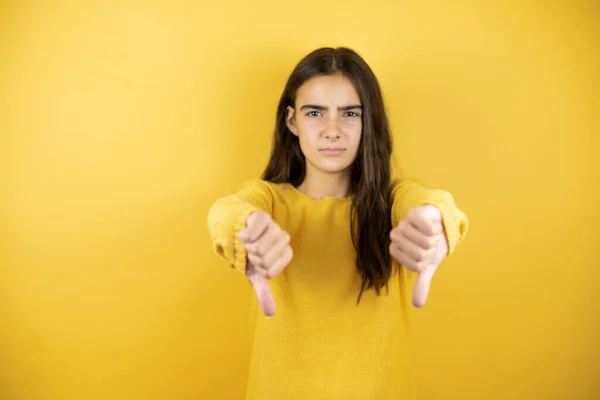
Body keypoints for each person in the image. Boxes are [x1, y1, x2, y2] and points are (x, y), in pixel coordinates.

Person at [207, 47, 468, 400]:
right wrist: (246, 231)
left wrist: (435, 222)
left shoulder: (393, 203)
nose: (332, 131)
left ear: (368, 121)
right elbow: (228, 211)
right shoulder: (268, 201)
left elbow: (427, 203)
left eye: (349, 113)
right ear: (291, 121)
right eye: (315, 112)